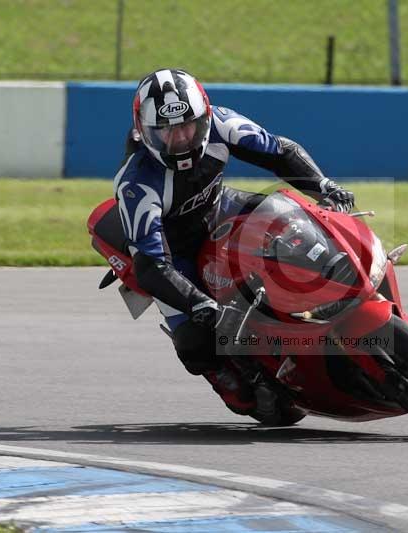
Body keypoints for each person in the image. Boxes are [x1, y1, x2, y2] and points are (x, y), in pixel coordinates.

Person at [113, 68, 355, 416]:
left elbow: (280, 151)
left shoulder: (223, 124)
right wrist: (199, 303)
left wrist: (324, 186)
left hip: (221, 211)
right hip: (174, 251)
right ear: (145, 131)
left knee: (298, 232)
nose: (181, 138)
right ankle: (222, 374)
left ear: (206, 116)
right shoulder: (137, 182)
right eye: (167, 132)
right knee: (197, 343)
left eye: (188, 126)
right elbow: (151, 265)